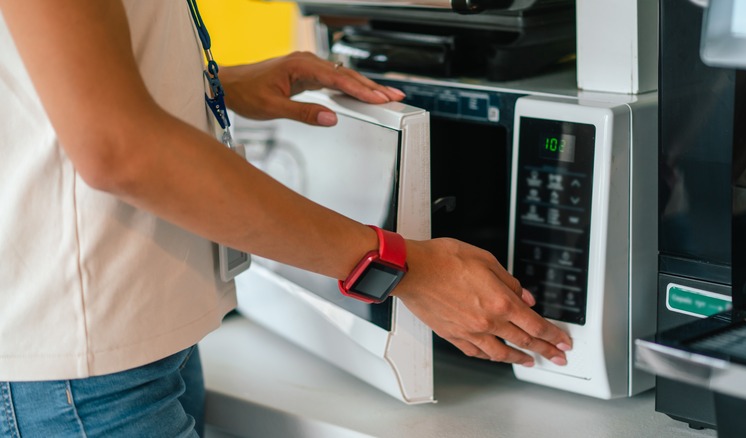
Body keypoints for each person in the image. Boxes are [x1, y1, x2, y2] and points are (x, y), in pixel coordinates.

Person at [0, 1, 572, 436]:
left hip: (140, 341)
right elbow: (122, 149)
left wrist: (210, 84)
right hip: (78, 376)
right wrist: (404, 267)